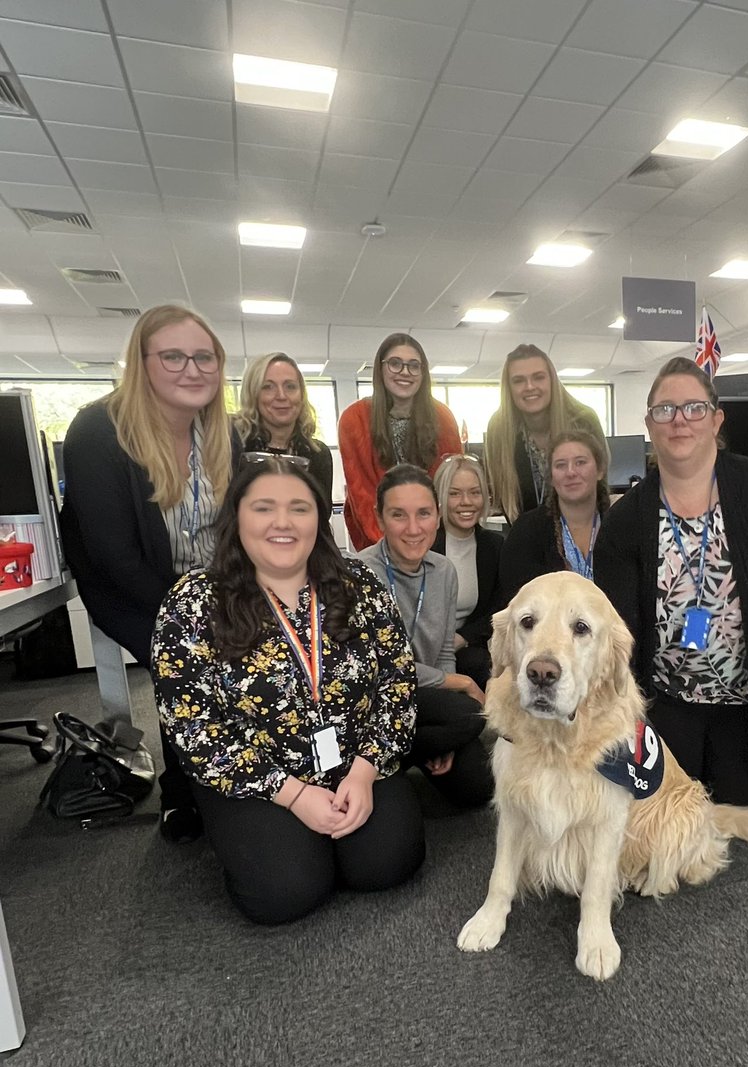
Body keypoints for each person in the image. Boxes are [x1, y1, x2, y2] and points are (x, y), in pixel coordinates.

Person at [151, 458, 424, 924]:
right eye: (263, 508)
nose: (283, 522)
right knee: (285, 893)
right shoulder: (193, 602)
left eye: (299, 508)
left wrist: (363, 773)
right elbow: (192, 725)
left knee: (386, 863)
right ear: (236, 517)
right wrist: (294, 795)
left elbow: (397, 684)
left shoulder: (362, 588)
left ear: (319, 518)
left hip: (353, 761)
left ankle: (327, 832)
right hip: (258, 779)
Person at [594, 357, 748, 808]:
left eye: (694, 408)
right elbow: (617, 632)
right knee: (662, 808)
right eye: (665, 410)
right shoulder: (626, 520)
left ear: (716, 418)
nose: (680, 420)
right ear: (650, 423)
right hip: (664, 703)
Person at [59, 303, 240, 844]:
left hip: (211, 583)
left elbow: (234, 525)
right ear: (142, 362)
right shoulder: (100, 429)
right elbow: (112, 554)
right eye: (174, 356)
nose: (192, 369)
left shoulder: (220, 431)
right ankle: (183, 792)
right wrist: (190, 619)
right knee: (184, 664)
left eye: (204, 356)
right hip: (131, 589)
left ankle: (244, 779)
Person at [358, 464, 494, 810]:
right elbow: (383, 669)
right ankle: (381, 761)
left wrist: (443, 731)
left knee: (477, 787)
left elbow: (444, 650)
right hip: (379, 702)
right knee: (468, 712)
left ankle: (413, 751)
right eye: (398, 515)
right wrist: (459, 683)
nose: (414, 528)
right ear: (380, 518)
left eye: (423, 514)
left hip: (425, 699)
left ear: (437, 516)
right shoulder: (360, 574)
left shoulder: (443, 571)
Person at [337, 333, 462, 550]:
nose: (405, 372)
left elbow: (450, 486)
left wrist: (427, 542)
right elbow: (363, 495)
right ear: (380, 368)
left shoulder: (443, 417)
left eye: (414, 365)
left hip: (433, 540)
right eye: (395, 364)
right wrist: (394, 551)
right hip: (377, 539)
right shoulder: (354, 419)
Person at [484, 343, 607, 524]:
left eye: (538, 377)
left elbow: (600, 487)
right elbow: (504, 496)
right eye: (518, 381)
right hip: (525, 534)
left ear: (552, 380)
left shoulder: (582, 420)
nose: (530, 386)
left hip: (582, 531)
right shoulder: (499, 428)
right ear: (508, 388)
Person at [499, 427, 611, 604]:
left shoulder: (621, 525)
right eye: (560, 465)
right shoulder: (526, 532)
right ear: (551, 477)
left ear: (600, 470)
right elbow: (517, 604)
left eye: (580, 462)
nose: (571, 472)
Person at [431, 453, 503, 692]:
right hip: (424, 647)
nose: (466, 501)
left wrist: (463, 637)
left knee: (481, 665)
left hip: (467, 646)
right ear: (440, 497)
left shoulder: (494, 546)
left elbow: (500, 606)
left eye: (474, 492)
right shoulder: (423, 544)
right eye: (454, 493)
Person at [236, 352, 334, 502]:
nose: (281, 396)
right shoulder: (235, 450)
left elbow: (321, 519)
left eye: (290, 386)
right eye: (268, 387)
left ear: (301, 394)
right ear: (252, 395)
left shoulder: (318, 455)